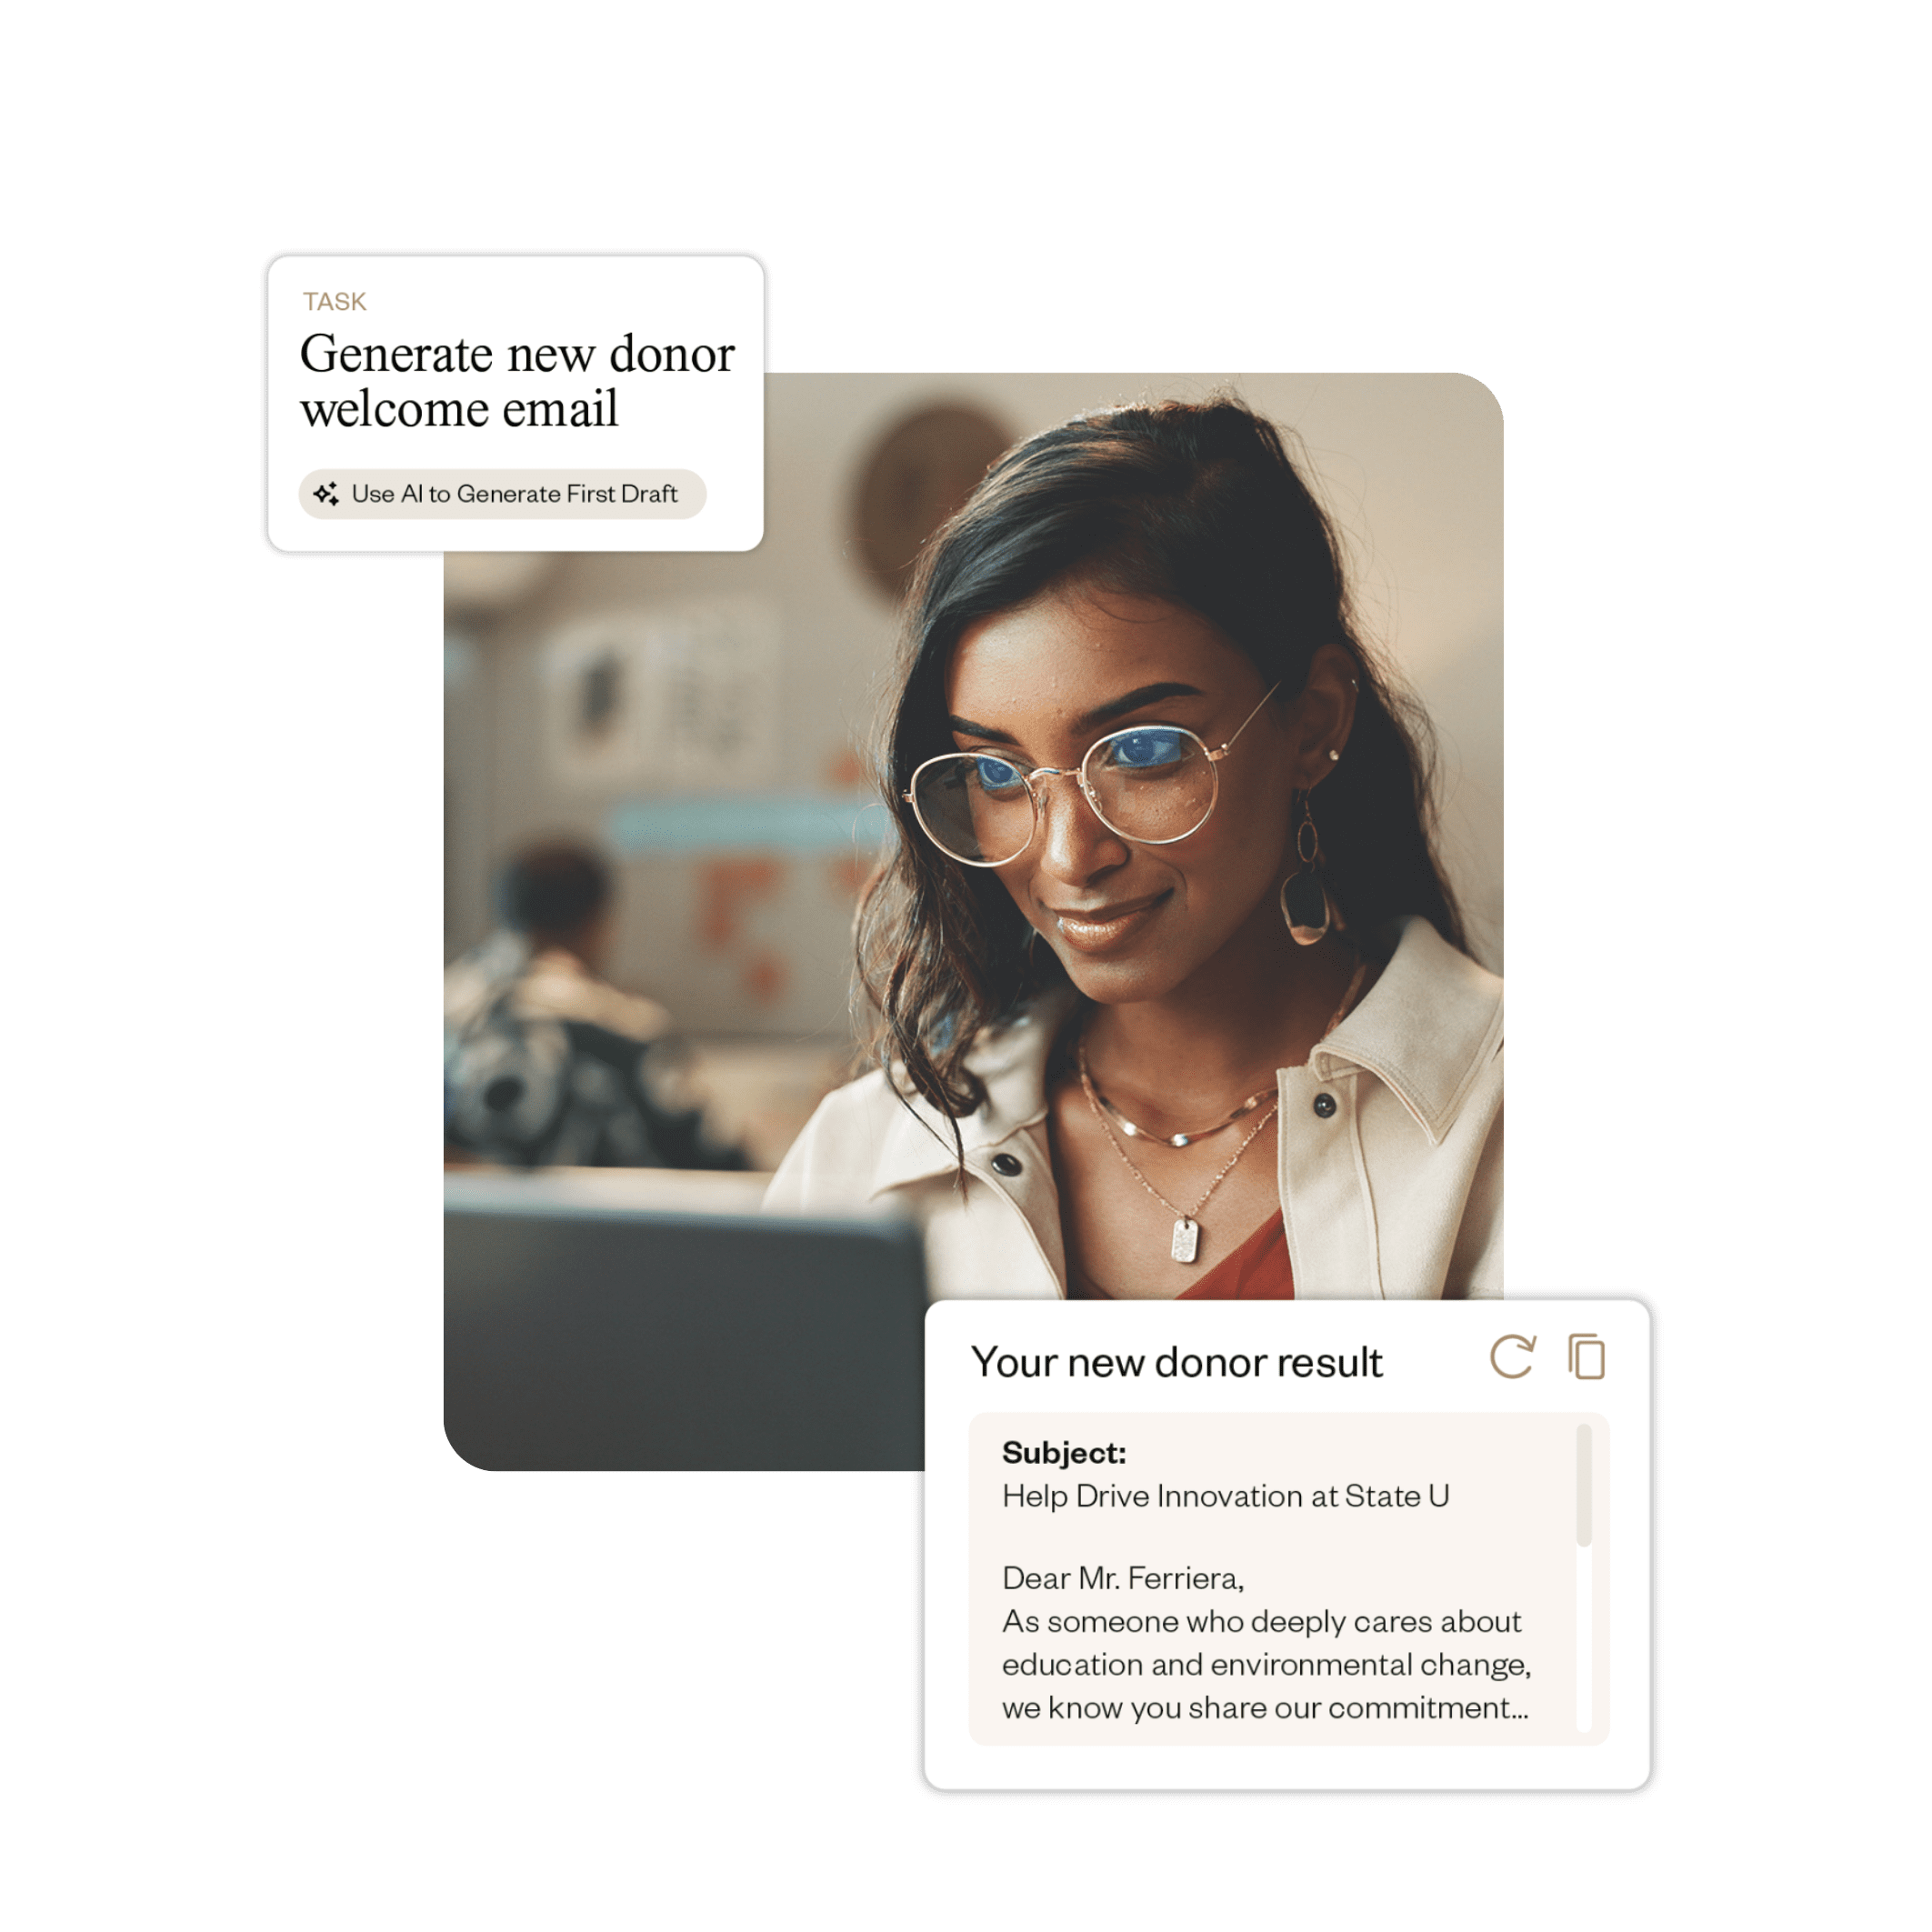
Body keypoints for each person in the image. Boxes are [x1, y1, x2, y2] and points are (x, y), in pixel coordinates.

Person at [764, 399, 1500, 1299]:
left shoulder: (1483, 1119)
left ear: (1313, 725)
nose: (1069, 858)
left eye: (1143, 753)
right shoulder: (862, 1153)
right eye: (996, 776)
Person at [444, 840, 748, 1170]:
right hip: (589, 1221)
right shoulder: (626, 1027)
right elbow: (712, 1158)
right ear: (599, 922)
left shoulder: (454, 1008)